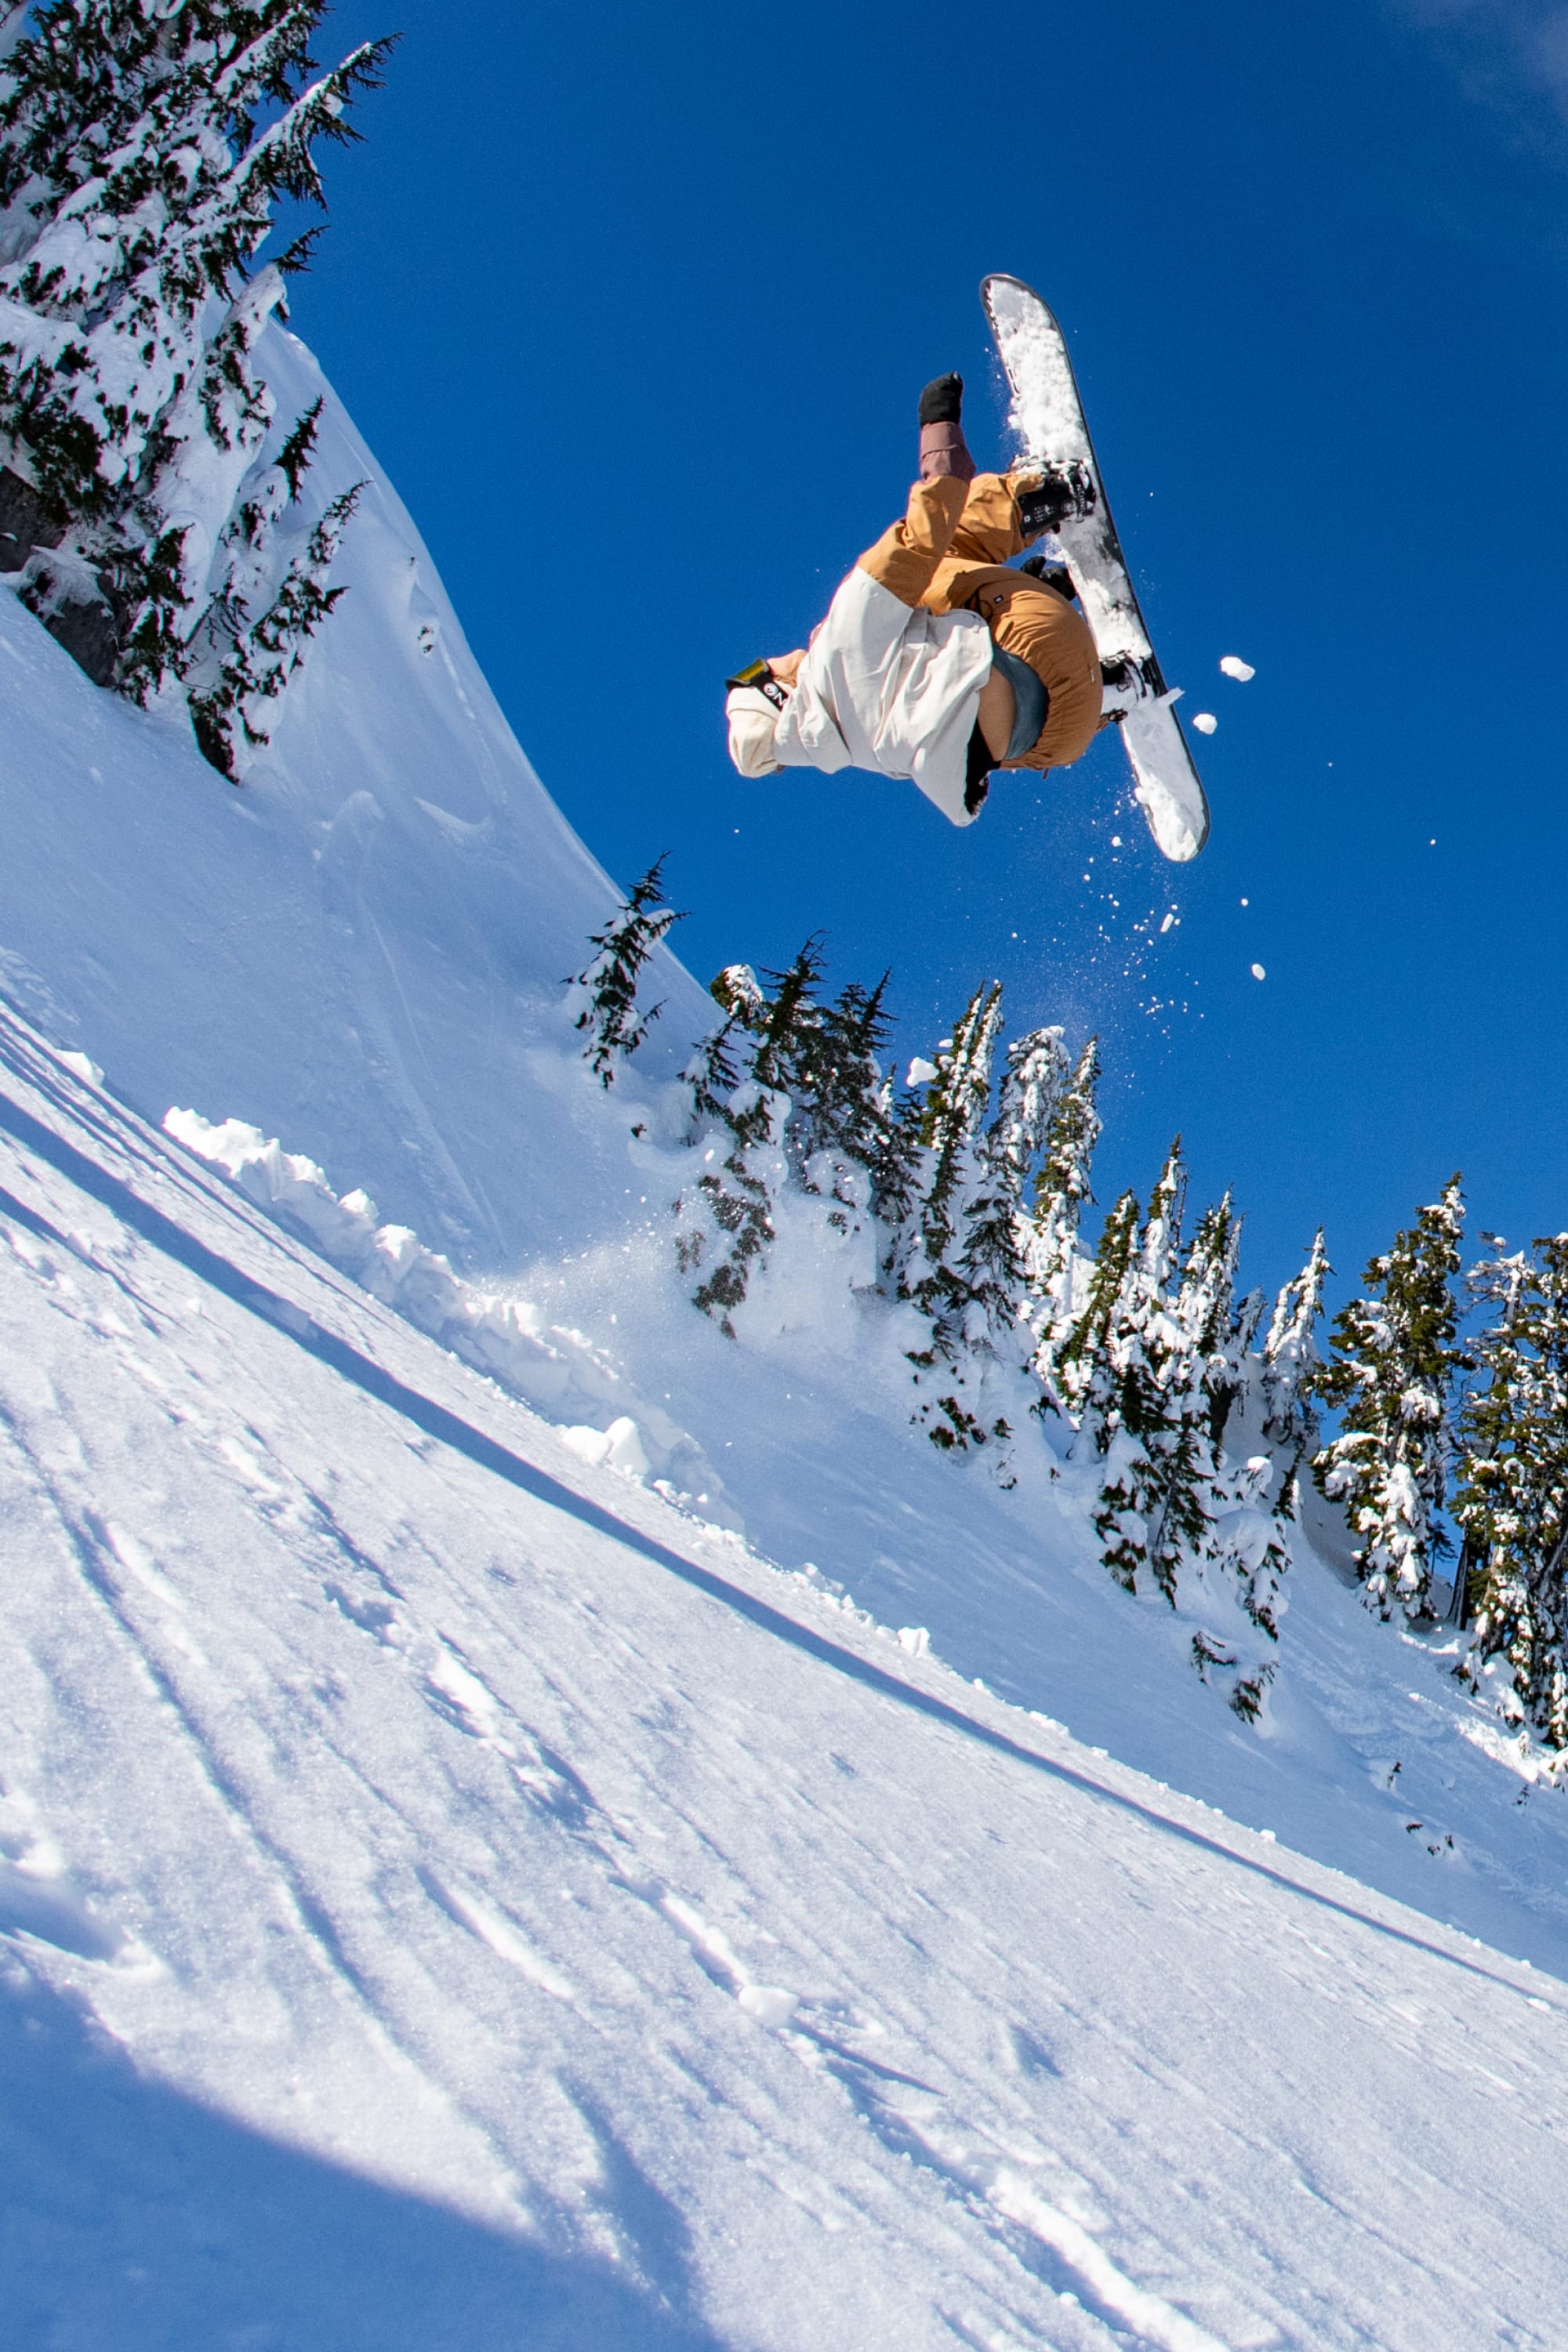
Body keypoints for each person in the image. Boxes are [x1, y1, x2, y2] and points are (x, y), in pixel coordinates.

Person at [724, 373, 1103, 826]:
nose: (777, 656)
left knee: (929, 661)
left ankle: (1116, 684)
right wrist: (937, 427)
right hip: (1037, 637)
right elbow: (919, 538)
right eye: (764, 670)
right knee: (927, 564)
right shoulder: (839, 650)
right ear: (778, 694)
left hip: (1067, 736)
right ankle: (1050, 492)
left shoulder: (865, 754)